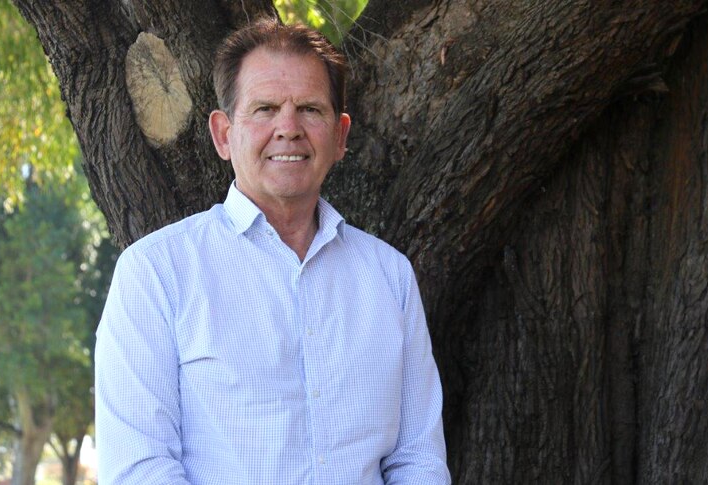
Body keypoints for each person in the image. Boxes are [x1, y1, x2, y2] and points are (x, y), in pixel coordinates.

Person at [94, 18, 450, 485]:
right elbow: (140, 470)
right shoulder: (155, 274)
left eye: (309, 109)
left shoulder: (390, 277)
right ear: (223, 135)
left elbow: (417, 462)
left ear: (340, 136)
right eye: (264, 108)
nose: (289, 128)